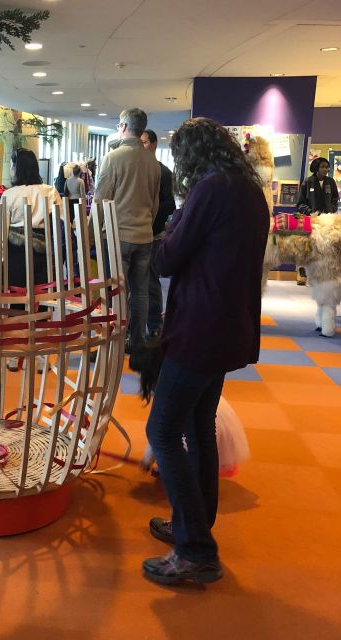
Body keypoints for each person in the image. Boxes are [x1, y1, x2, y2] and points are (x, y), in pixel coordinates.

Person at [142, 117, 269, 586]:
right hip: (227, 327)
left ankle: (195, 549)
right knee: (197, 429)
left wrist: (169, 228)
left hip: (199, 326)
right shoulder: (249, 190)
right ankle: (193, 524)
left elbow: (167, 259)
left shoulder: (210, 189)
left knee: (163, 429)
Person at [95, 107, 160, 351]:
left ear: (123, 127)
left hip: (118, 235)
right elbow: (154, 204)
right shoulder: (152, 162)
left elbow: (100, 200)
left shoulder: (113, 158)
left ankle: (116, 341)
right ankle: (138, 340)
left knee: (116, 290)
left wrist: (90, 234)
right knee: (141, 292)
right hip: (144, 236)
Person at [3, 148, 62, 371]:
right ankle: (40, 358)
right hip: (43, 250)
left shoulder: (9, 194)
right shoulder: (50, 191)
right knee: (42, 301)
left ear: (17, 167)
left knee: (17, 302)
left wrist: (1, 260)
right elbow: (60, 222)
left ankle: (15, 354)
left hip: (16, 250)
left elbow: (3, 229)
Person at [140, 129, 176, 338]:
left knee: (151, 280)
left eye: (144, 142)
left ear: (153, 144)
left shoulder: (164, 172)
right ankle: (132, 327)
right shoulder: (136, 169)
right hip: (133, 233)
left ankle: (154, 325)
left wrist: (151, 212)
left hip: (154, 233)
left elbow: (170, 203)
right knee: (130, 283)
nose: (141, 146)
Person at [296, 157, 339, 285]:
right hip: (312, 221)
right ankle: (303, 274)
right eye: (322, 167)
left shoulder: (330, 182)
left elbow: (335, 199)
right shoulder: (307, 182)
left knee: (323, 249)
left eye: (327, 167)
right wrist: (311, 213)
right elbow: (300, 203)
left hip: (327, 222)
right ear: (316, 168)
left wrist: (332, 209)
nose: (326, 169)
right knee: (308, 248)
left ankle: (322, 276)